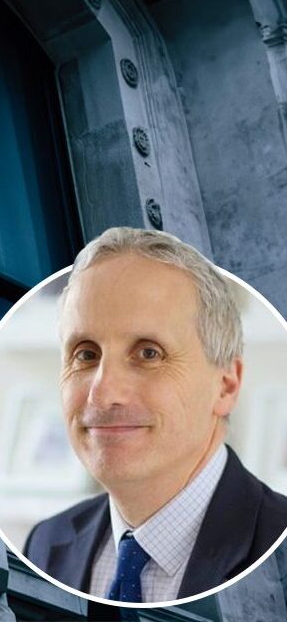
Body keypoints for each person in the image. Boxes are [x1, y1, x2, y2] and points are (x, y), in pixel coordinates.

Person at [23, 227, 287, 604]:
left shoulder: (275, 537)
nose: (103, 393)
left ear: (225, 386)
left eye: (149, 353)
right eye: (86, 354)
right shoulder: (46, 546)